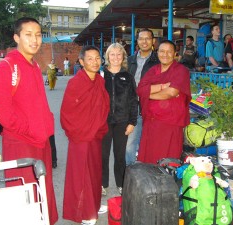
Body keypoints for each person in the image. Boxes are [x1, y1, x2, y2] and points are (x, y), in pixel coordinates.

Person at [0, 17, 58, 224]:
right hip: (21, 142)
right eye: (28, 34)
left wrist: (46, 123)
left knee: (42, 193)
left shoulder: (35, 65)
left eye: (38, 35)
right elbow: (3, 112)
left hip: (41, 140)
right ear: (16, 37)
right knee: (25, 198)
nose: (35, 39)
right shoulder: (7, 66)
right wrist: (29, 129)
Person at [61, 46, 110, 225]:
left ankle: (94, 205)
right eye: (90, 59)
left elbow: (103, 105)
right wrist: (79, 131)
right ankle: (83, 213)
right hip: (81, 135)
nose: (95, 62)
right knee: (82, 175)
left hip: (96, 133)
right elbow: (67, 113)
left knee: (94, 172)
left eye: (97, 58)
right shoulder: (75, 83)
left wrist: (97, 125)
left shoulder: (99, 80)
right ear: (81, 62)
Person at [136, 40, 191, 164]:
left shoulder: (181, 70)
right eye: (162, 51)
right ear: (157, 52)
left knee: (167, 158)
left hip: (170, 123)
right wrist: (161, 87)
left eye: (169, 51)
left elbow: (171, 92)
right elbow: (140, 90)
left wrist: (148, 95)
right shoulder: (153, 70)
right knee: (149, 158)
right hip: (151, 122)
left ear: (175, 54)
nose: (165, 54)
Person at [101, 43, 138, 196]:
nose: (115, 57)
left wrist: (132, 122)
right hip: (104, 122)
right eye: (112, 54)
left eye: (119, 54)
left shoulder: (128, 76)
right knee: (103, 155)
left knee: (120, 155)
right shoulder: (101, 75)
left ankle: (121, 183)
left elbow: (133, 100)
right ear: (107, 56)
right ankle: (102, 184)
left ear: (123, 57)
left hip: (122, 121)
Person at [126, 28, 159, 165]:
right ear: (137, 41)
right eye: (141, 38)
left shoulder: (158, 60)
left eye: (147, 38)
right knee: (130, 146)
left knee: (150, 143)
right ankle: (131, 175)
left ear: (153, 41)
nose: (144, 41)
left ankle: (148, 174)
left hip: (151, 107)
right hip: (132, 108)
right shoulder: (129, 60)